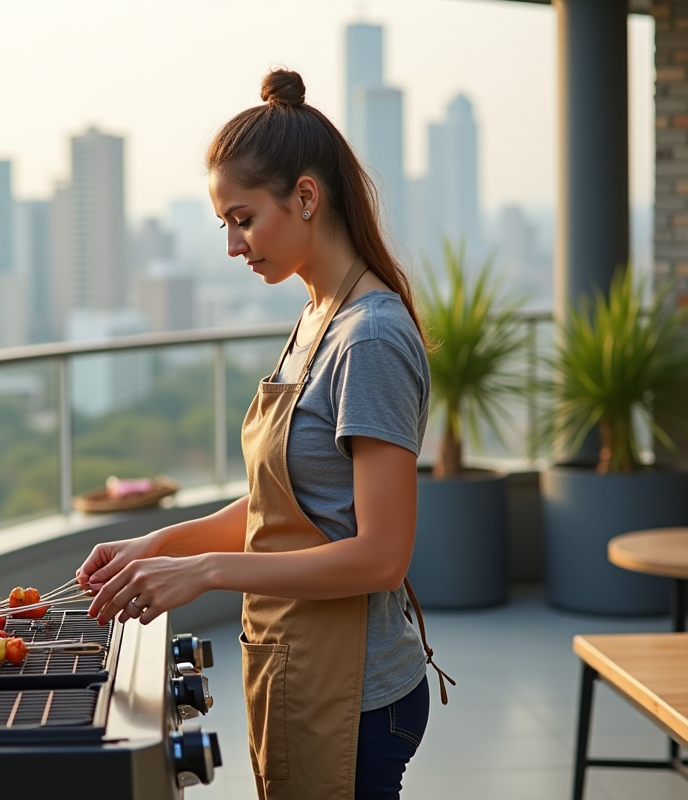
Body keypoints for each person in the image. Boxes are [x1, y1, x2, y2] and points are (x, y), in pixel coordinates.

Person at [76, 68, 450, 800]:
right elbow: (288, 510)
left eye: (243, 219)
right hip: (298, 663)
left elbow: (381, 557)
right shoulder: (317, 316)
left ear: (305, 197)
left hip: (356, 694)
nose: (233, 245)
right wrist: (158, 545)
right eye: (225, 224)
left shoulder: (369, 338)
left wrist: (210, 572)